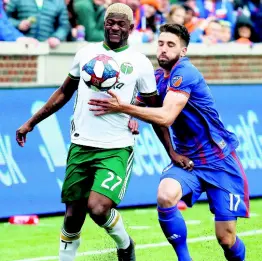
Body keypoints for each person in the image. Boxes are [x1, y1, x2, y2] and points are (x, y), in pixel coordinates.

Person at [88, 23, 250, 261]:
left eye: (171, 45)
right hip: (189, 162)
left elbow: (165, 116)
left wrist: (125, 108)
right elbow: (140, 103)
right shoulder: (157, 78)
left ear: (183, 51)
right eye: (161, 43)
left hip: (219, 161)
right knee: (166, 195)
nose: (163, 49)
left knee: (226, 239)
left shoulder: (186, 73)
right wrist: (130, 112)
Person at [16, 3, 161, 261]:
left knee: (98, 208)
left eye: (121, 24)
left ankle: (126, 246)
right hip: (80, 145)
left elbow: (155, 110)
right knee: (72, 216)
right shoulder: (86, 54)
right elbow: (64, 92)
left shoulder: (139, 63)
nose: (115, 27)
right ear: (104, 23)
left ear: (131, 27)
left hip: (115, 148)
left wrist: (170, 149)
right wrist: (31, 122)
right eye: (110, 22)